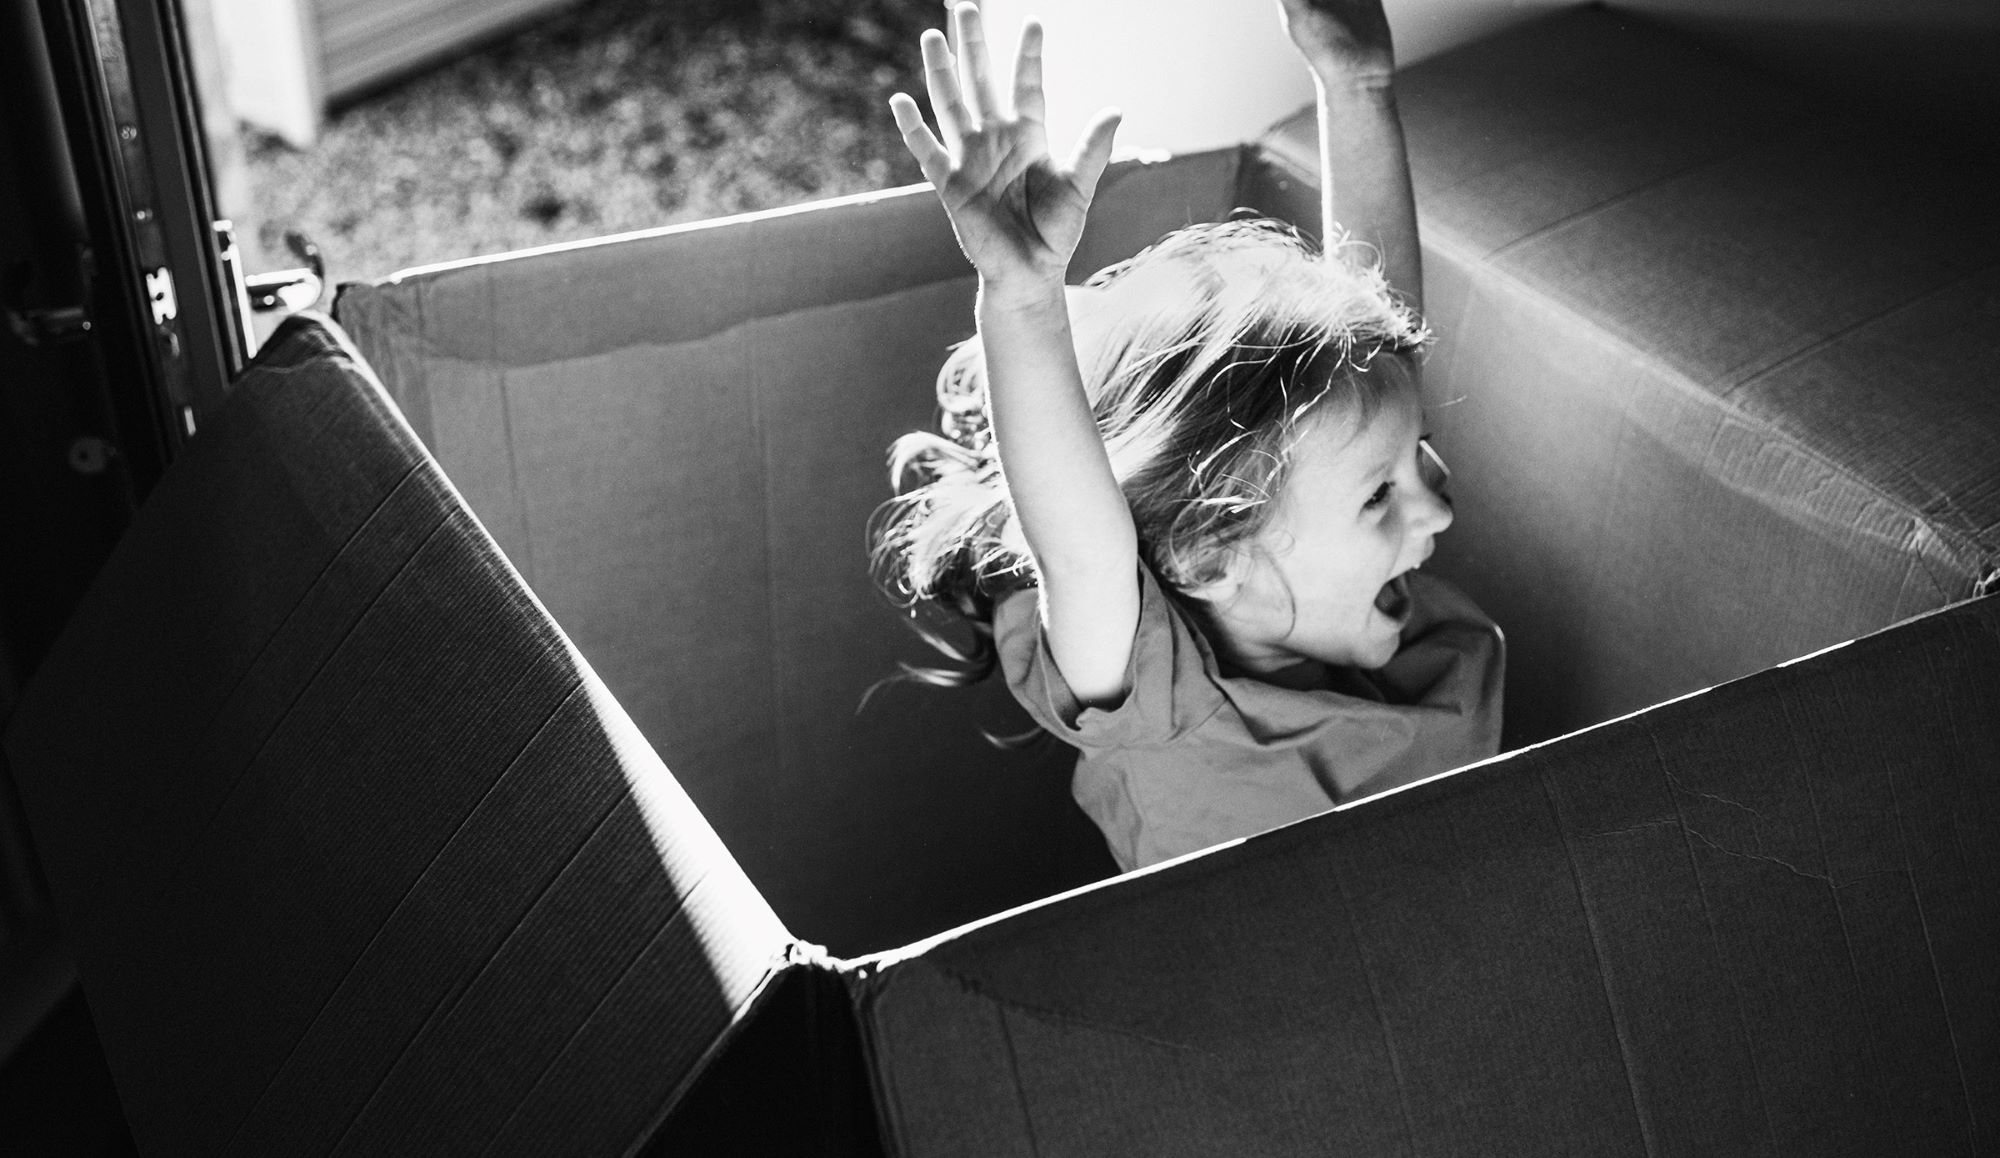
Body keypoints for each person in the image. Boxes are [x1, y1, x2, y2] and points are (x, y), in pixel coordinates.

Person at [873, 0, 1503, 871]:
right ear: (1213, 555)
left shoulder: (1357, 602)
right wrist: (1022, 296)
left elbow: (1382, 340)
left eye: (1417, 457)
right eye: (1379, 494)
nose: (1437, 507)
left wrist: (1356, 85)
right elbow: (1082, 547)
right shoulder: (1159, 699)